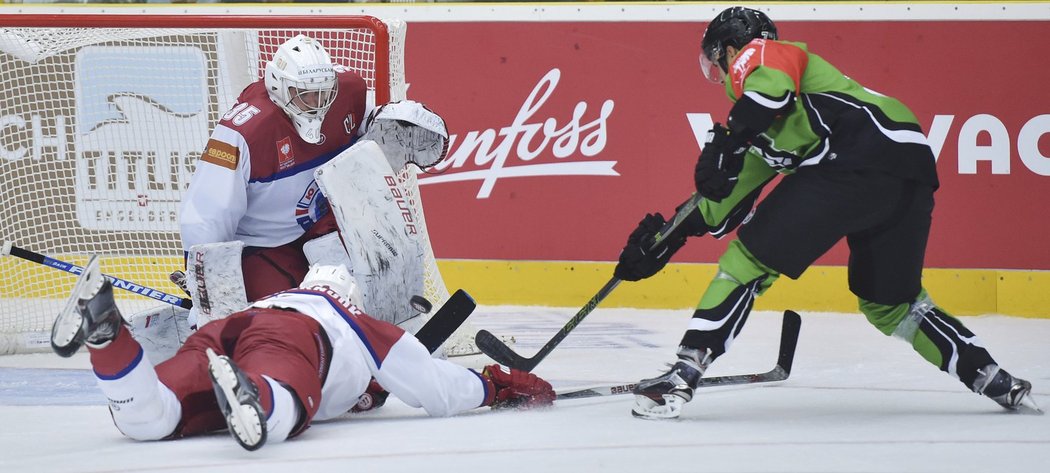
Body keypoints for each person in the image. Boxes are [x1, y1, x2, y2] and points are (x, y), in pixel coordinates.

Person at [615, 6, 1041, 419]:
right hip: (908, 168)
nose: (721, 75)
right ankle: (990, 376)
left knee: (747, 262)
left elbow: (770, 89)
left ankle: (681, 374)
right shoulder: (768, 127)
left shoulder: (765, 54)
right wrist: (664, 240)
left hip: (855, 154)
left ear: (729, 50)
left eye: (717, 63)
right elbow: (721, 200)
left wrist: (727, 138)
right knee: (891, 304)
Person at [50, 256, 555, 451]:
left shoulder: (273, 298)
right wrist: (492, 384)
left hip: (221, 332)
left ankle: (107, 334)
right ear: (350, 296)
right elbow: (436, 389)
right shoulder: (353, 323)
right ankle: (258, 396)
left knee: (149, 417)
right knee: (282, 404)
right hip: (287, 340)